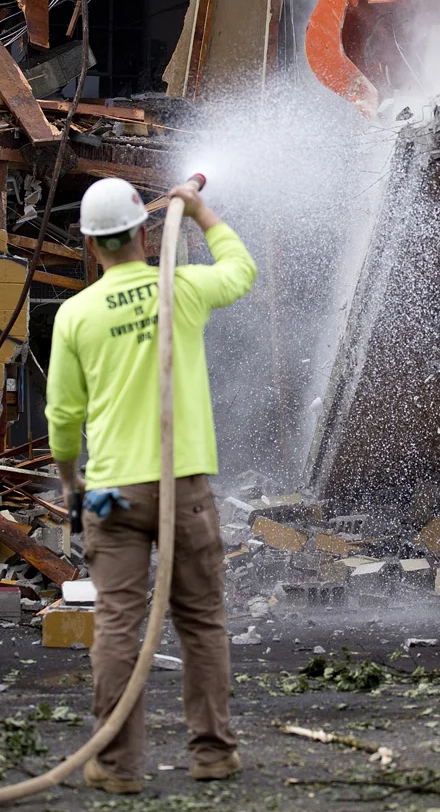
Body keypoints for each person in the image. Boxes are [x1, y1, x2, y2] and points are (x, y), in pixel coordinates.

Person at [45, 176, 257, 795]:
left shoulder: (76, 315)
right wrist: (200, 211)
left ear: (90, 245)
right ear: (144, 232)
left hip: (113, 495)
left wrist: (69, 481)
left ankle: (116, 767)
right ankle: (213, 755)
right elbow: (241, 271)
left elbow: (63, 417)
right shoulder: (181, 288)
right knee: (202, 622)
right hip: (183, 491)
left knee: (116, 626)